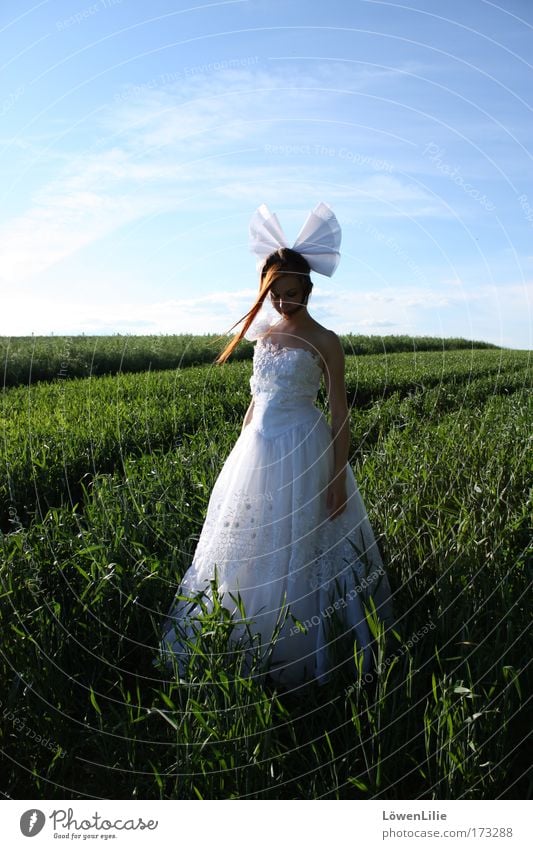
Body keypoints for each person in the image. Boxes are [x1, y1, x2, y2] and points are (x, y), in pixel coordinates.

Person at [158, 202, 394, 688]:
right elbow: (257, 398)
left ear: (308, 289)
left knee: (303, 547)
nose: (284, 303)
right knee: (244, 545)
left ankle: (308, 653)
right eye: (275, 295)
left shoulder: (326, 341)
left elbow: (338, 412)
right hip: (256, 450)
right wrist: (240, 448)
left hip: (304, 450)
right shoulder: (264, 337)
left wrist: (336, 480)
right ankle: (239, 637)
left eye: (292, 294)